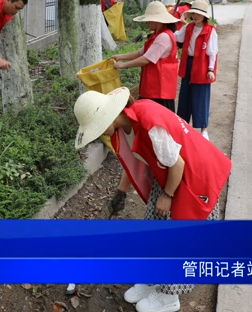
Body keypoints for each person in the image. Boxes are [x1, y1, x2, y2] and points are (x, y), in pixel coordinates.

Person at [73, 87, 231, 312]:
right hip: (169, 174)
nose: (99, 134)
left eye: (97, 128)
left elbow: (178, 164)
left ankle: (169, 296)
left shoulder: (149, 124)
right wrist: (121, 192)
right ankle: (152, 278)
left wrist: (167, 196)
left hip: (194, 177)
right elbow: (135, 161)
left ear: (108, 116)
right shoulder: (127, 124)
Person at [109, 1, 182, 217]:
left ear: (158, 20)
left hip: (159, 98)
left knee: (157, 146)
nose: (148, 22)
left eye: (150, 19)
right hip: (151, 94)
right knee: (145, 144)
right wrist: (120, 56)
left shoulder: (163, 37)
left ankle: (164, 186)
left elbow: (146, 59)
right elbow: (140, 51)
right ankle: (130, 187)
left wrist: (122, 66)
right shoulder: (155, 36)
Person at [174, 0, 217, 141]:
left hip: (203, 64)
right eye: (193, 13)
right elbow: (177, 37)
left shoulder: (210, 30)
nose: (195, 16)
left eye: (198, 13)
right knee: (185, 95)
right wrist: (180, 20)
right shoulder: (189, 28)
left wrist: (210, 69)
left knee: (201, 97)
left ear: (204, 16)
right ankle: (183, 125)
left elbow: (212, 52)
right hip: (189, 62)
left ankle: (204, 129)